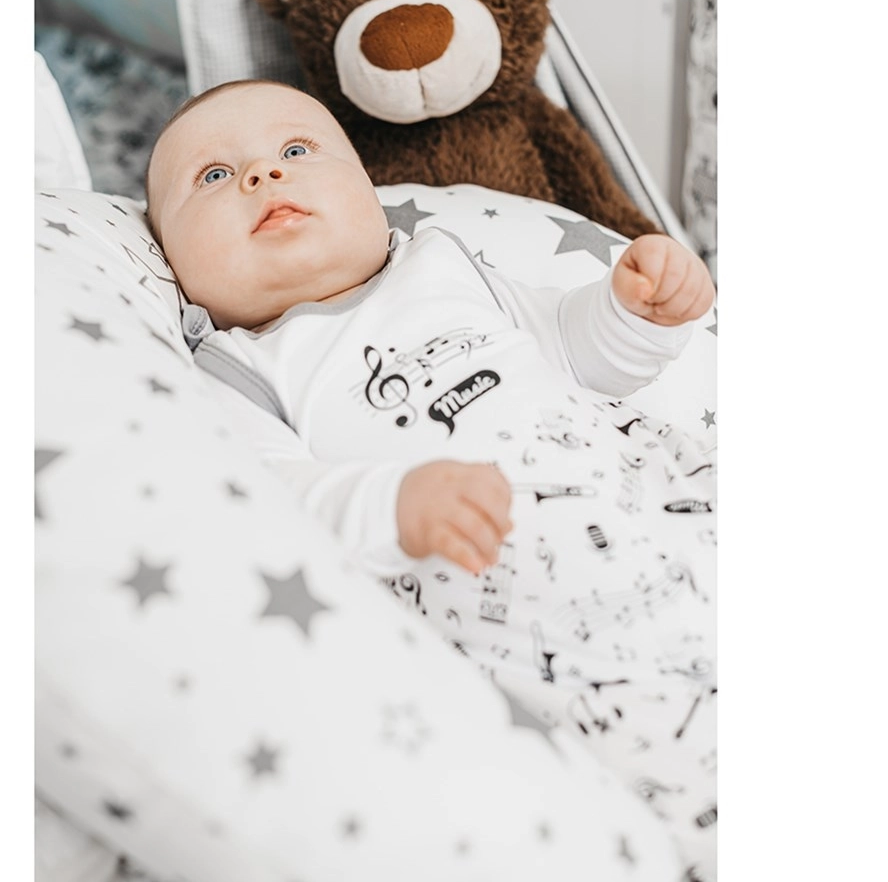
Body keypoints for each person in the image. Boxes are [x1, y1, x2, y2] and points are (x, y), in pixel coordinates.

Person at [147, 79, 717, 880]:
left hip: (659, 496)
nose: (263, 174)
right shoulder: (239, 368)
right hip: (530, 599)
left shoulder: (442, 265)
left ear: (366, 188)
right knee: (672, 761)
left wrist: (634, 313)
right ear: (168, 256)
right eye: (213, 175)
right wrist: (393, 503)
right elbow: (278, 499)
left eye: (297, 149)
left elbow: (574, 349)